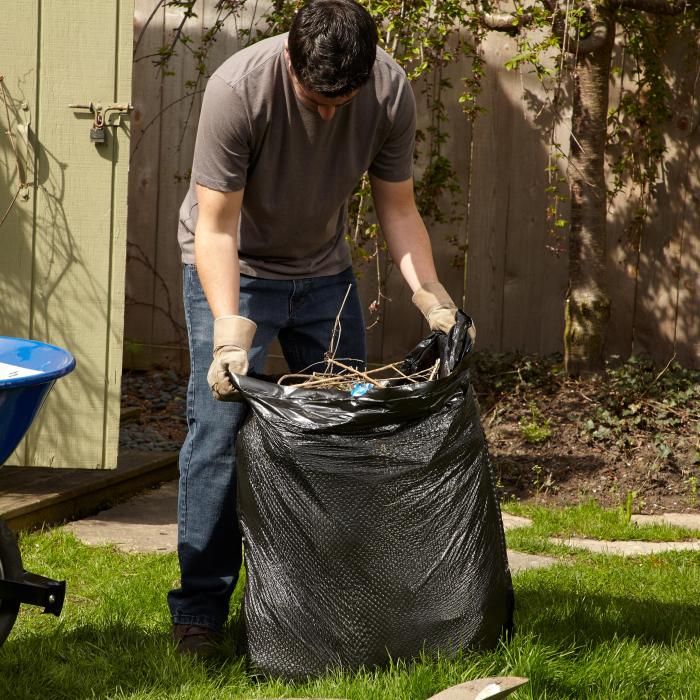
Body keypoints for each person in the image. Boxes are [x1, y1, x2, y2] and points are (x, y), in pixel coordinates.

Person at [168, 0, 460, 655]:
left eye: (341, 101)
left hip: (323, 274)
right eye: (314, 99)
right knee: (217, 434)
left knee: (342, 437)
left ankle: (328, 607)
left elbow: (400, 208)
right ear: (290, 60)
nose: (328, 114)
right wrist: (227, 331)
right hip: (233, 267)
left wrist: (430, 294)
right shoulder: (237, 92)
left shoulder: (388, 90)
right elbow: (216, 228)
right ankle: (200, 615)